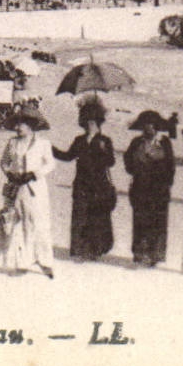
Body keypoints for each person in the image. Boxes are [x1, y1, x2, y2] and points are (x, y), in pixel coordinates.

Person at [0, 108, 56, 277]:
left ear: (30, 126)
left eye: (21, 124)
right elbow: (4, 162)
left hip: (35, 189)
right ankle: (21, 263)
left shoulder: (43, 143)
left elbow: (50, 164)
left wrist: (34, 174)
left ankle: (45, 261)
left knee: (39, 223)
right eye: (16, 124)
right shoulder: (12, 143)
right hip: (15, 187)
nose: (17, 127)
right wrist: (10, 173)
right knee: (16, 224)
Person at [54, 98, 117, 261]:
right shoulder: (79, 140)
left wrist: (104, 151)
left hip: (99, 186)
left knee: (96, 218)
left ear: (98, 123)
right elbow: (68, 156)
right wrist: (51, 149)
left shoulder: (105, 141)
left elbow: (111, 162)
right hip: (81, 184)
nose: (89, 125)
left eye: (92, 122)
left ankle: (95, 250)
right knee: (80, 217)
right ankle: (79, 249)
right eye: (87, 121)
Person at [123, 109, 176, 268]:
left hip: (159, 189)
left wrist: (164, 182)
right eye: (146, 126)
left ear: (157, 127)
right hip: (140, 188)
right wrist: (137, 166)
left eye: (152, 126)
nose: (149, 129)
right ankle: (140, 253)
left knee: (157, 222)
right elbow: (128, 163)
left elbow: (170, 166)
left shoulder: (164, 142)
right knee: (140, 221)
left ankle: (155, 255)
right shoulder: (136, 143)